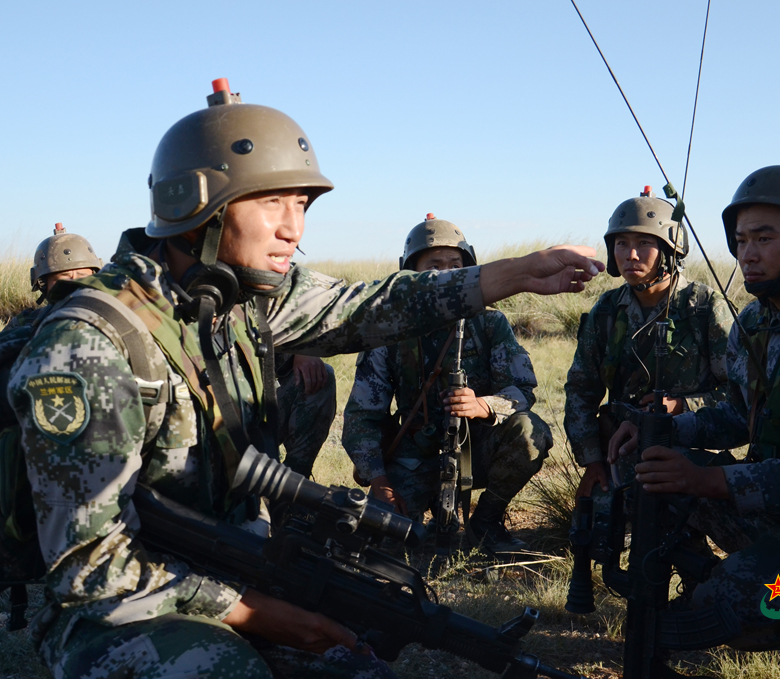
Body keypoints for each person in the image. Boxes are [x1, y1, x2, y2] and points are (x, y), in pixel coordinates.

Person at [6, 79, 603, 679]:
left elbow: (367, 307)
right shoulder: (89, 344)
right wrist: (250, 612)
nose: (294, 228)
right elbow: (90, 567)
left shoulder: (239, 300)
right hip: (122, 608)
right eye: (273, 204)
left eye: (302, 205)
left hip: (239, 565)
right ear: (197, 207)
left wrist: (515, 274)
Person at [608, 159, 780, 650]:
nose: (748, 255)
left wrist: (709, 480)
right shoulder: (755, 324)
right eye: (741, 241)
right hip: (768, 510)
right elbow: (739, 417)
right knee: (647, 465)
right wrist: (664, 429)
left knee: (731, 603)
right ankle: (701, 577)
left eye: (763, 239)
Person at [342, 214, 553, 556]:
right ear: (412, 272)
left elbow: (521, 390)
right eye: (434, 265)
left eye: (455, 264)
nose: (446, 273)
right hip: (415, 454)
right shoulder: (390, 330)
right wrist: (379, 481)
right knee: (378, 541)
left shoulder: (488, 321)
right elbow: (361, 417)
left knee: (531, 432)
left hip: (477, 448)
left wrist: (483, 405)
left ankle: (485, 523)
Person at [567, 186, 733, 503]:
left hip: (686, 447)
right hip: (617, 450)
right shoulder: (607, 309)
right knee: (595, 526)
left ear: (670, 251)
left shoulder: (703, 307)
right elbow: (580, 388)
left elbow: (739, 395)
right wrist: (593, 460)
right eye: (622, 244)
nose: (631, 254)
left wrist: (683, 407)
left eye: (644, 243)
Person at [2, 223, 101, 332]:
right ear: (43, 284)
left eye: (82, 276)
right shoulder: (26, 324)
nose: (74, 284)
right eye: (64, 278)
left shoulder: (111, 318)